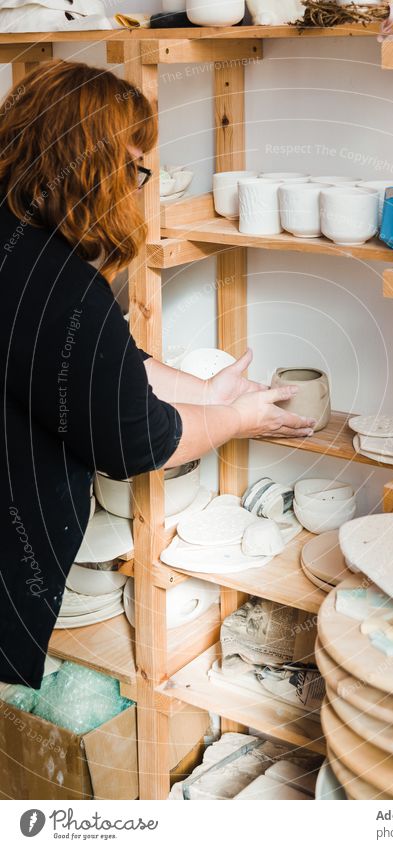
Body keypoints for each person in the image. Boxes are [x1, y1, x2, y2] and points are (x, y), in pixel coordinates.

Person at [0, 60, 314, 689]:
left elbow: (102, 367)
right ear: (90, 163)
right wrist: (236, 419)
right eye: (135, 168)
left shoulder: (19, 244)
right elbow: (135, 439)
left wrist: (203, 391)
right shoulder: (61, 285)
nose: (139, 186)